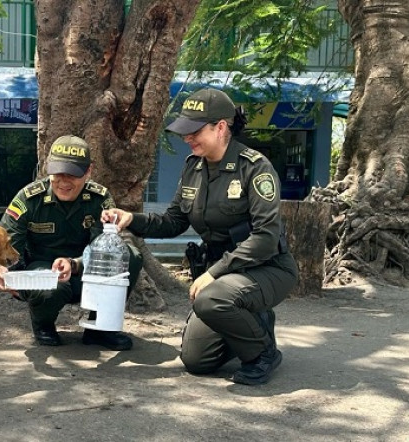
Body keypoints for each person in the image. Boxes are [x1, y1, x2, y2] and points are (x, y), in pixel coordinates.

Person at [102, 88, 298, 385]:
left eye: (194, 131)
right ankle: (250, 323)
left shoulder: (255, 168)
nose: (187, 138)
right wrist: (131, 219)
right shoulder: (193, 168)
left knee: (210, 299)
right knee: (197, 360)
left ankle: (264, 352)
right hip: (225, 276)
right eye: (184, 132)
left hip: (266, 268)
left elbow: (266, 237)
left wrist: (214, 273)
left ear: (221, 127)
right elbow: (172, 222)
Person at [0, 135, 141, 351]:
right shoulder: (28, 199)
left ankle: (101, 328)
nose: (63, 181)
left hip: (84, 272)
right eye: (57, 173)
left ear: (88, 171)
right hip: (41, 274)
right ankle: (43, 325)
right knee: (52, 286)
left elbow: (104, 249)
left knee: (131, 256)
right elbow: (3, 245)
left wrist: (75, 263)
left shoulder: (100, 199)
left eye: (72, 174)